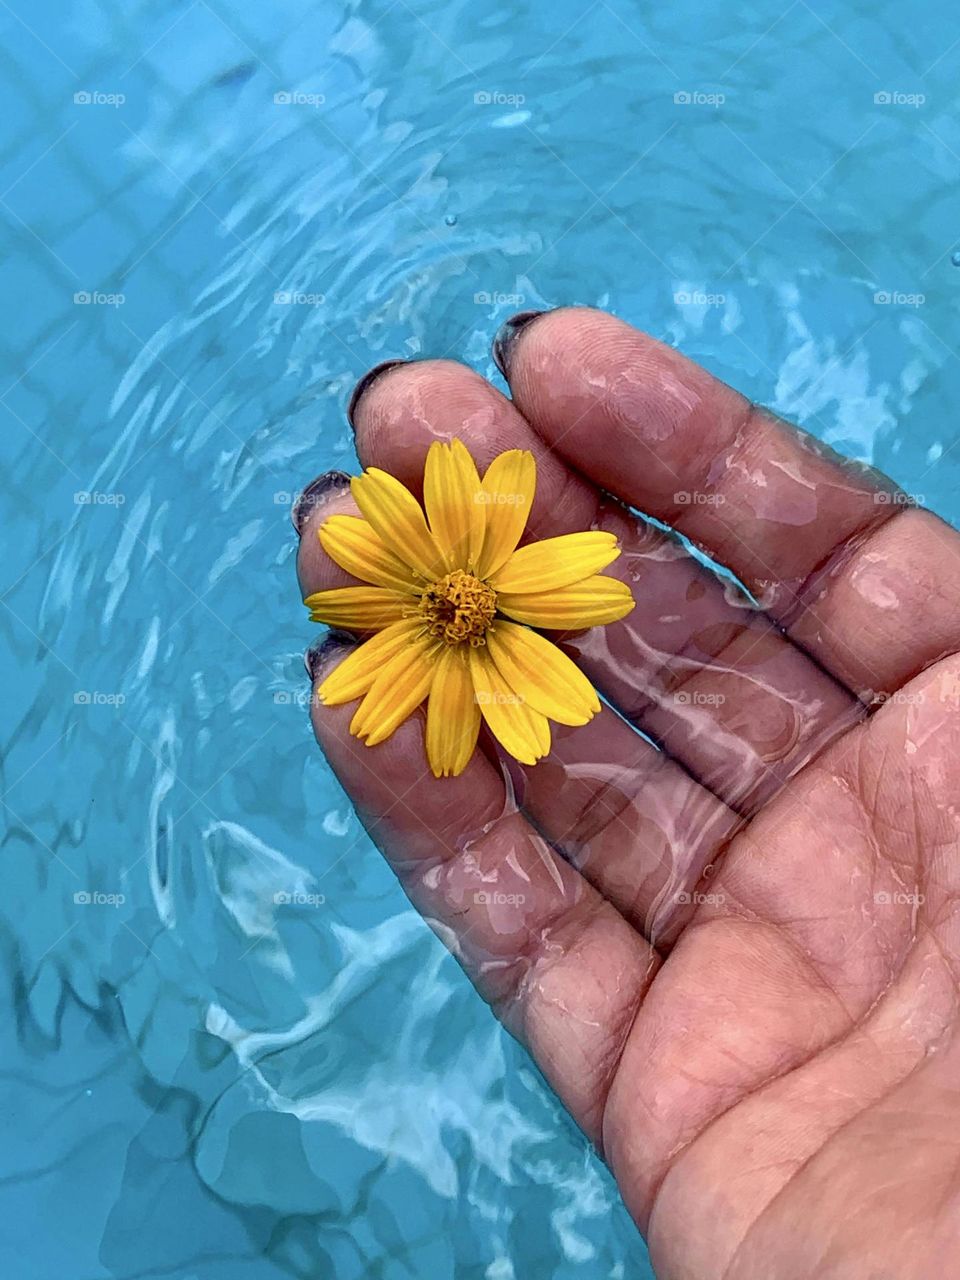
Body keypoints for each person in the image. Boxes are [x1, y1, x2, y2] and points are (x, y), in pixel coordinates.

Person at [294, 307, 960, 1279]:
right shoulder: (423, 625)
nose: (457, 603)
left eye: (459, 600)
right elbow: (381, 658)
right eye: (447, 604)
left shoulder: (509, 601)